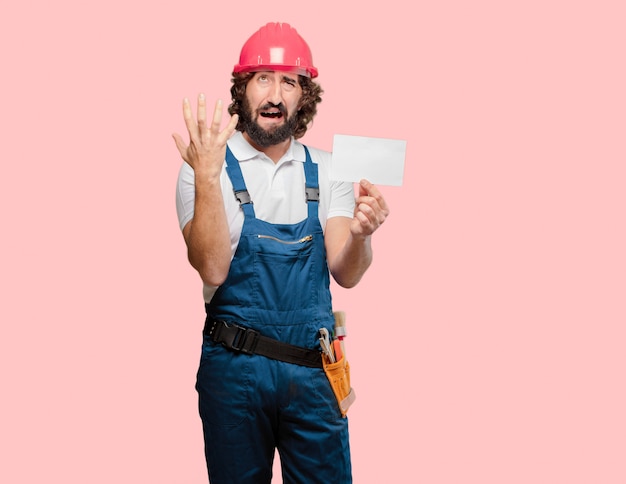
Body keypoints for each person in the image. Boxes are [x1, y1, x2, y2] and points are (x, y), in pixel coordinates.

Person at [173, 22, 389, 483]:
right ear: (242, 89)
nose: (275, 94)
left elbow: (345, 272)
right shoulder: (204, 165)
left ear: (303, 96)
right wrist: (209, 178)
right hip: (234, 373)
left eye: (288, 81)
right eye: (262, 78)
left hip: (314, 373)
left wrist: (362, 234)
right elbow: (210, 266)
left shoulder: (329, 169)